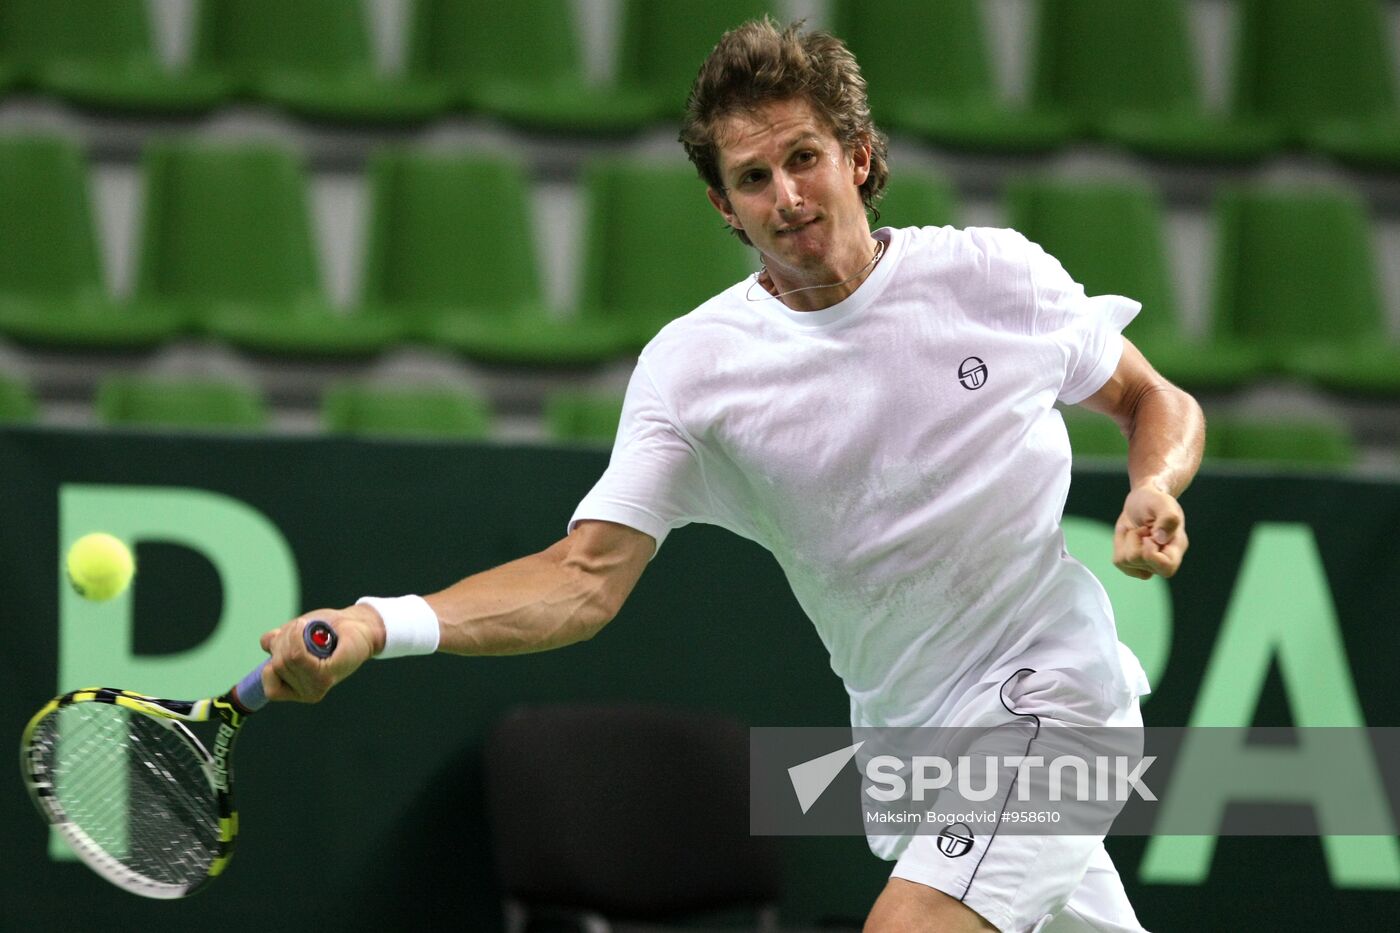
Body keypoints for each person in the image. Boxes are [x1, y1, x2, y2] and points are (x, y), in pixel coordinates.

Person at [260, 18, 1203, 933]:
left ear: (859, 158)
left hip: (1055, 696)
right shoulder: (695, 370)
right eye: (753, 178)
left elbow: (1154, 400)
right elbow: (584, 578)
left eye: (804, 158)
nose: (786, 196)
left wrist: (1153, 485)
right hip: (912, 748)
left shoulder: (997, 278)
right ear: (724, 204)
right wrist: (382, 622)